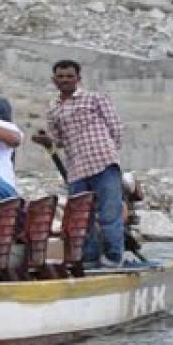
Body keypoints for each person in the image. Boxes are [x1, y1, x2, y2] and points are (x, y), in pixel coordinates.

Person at [31, 59, 126, 268]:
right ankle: (90, 257)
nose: (65, 80)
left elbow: (116, 127)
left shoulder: (94, 99)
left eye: (69, 76)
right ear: (54, 80)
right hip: (76, 169)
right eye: (61, 77)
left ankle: (113, 256)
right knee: (82, 217)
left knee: (110, 212)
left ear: (78, 79)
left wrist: (109, 151)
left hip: (103, 162)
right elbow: (58, 141)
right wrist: (46, 141)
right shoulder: (53, 108)